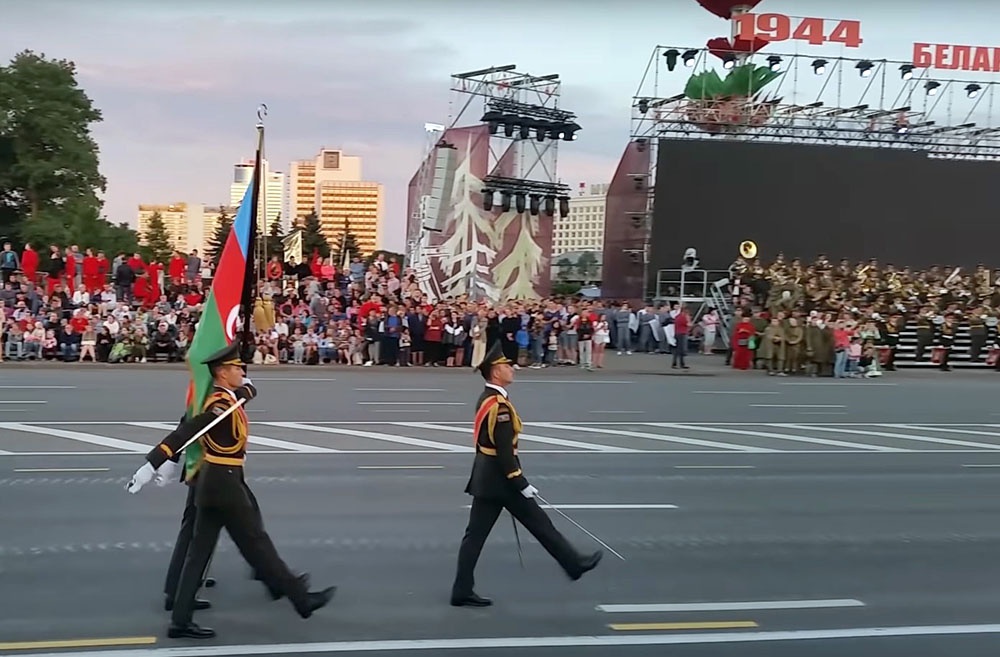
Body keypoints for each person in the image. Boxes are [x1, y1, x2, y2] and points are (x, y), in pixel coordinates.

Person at [127, 341, 334, 639]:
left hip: (213, 482)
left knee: (199, 554)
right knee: (258, 546)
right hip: (224, 484)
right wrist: (154, 463)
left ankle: (180, 621)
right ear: (223, 373)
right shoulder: (220, 406)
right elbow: (187, 431)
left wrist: (246, 389)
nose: (242, 371)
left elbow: (247, 393)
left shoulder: (229, 398)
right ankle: (302, 600)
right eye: (237, 368)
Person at [450, 341, 602, 608]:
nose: (513, 369)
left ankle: (462, 589)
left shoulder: (489, 398)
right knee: (540, 525)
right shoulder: (499, 406)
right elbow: (504, 451)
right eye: (507, 366)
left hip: (488, 478)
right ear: (495, 371)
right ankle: (574, 564)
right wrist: (519, 481)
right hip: (501, 480)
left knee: (476, 535)